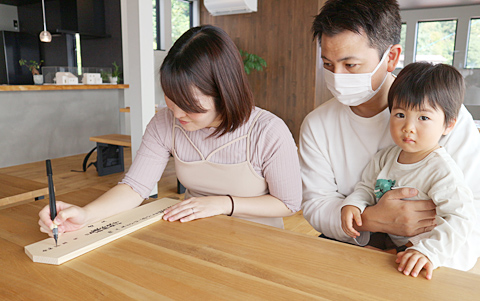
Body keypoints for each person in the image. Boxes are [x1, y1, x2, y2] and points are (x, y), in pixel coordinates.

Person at [38, 25, 302, 236]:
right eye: (171, 99)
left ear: (224, 93)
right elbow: (135, 187)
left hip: (259, 239)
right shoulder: (165, 123)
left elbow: (288, 204)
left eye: (189, 106)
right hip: (193, 233)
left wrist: (223, 203)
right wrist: (85, 215)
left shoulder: (267, 131)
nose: (176, 114)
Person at [300, 0, 480, 272]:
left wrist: (420, 252)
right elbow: (316, 204)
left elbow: (470, 212)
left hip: (428, 257)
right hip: (350, 248)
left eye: (350, 65)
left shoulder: (444, 118)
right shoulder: (317, 124)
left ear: (391, 57)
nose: (337, 77)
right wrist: (370, 220)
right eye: (327, 64)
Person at [341, 62, 475, 280]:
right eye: (400, 114)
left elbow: (460, 218)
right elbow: (366, 187)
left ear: (448, 125)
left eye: (423, 117)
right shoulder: (385, 157)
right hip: (391, 239)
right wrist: (353, 204)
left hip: (425, 248)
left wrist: (430, 252)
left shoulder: (441, 170)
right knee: (353, 260)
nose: (408, 127)